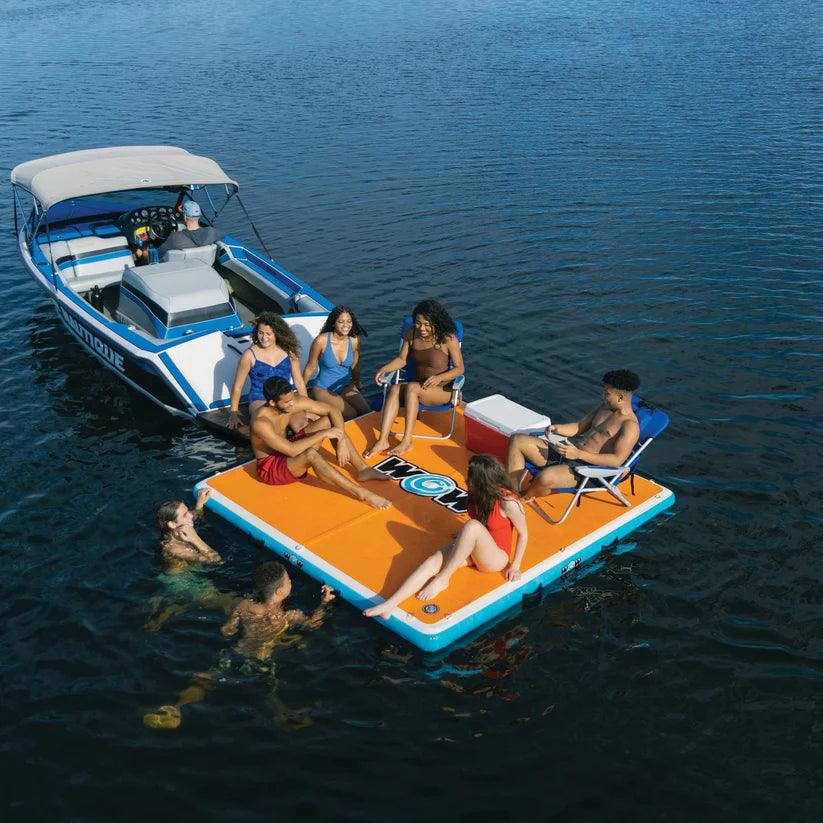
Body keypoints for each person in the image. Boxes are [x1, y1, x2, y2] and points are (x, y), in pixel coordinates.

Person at [143, 562, 334, 730]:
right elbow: (312, 624)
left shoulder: (244, 606)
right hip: (258, 659)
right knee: (269, 692)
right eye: (289, 581)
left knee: (206, 677)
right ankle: (284, 717)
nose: (291, 583)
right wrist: (324, 603)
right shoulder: (287, 615)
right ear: (279, 591)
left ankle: (177, 707)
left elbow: (226, 630)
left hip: (233, 652)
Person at [364, 455, 527, 619]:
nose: (466, 475)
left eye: (470, 473)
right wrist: (466, 537)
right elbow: (481, 522)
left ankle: (443, 579)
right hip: (476, 546)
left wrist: (515, 566)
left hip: (496, 557)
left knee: (471, 526)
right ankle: (389, 605)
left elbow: (523, 534)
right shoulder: (477, 493)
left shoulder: (508, 501)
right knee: (431, 562)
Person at [252, 376, 391, 509]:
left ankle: (363, 469)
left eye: (292, 398)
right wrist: (323, 434)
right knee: (311, 454)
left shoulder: (291, 403)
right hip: (271, 467)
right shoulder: (261, 422)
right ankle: (363, 494)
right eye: (287, 402)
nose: (292, 403)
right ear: (272, 403)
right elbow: (291, 450)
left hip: (288, 448)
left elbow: (332, 410)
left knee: (328, 421)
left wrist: (341, 441)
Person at [506, 369, 642, 500]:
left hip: (587, 468)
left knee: (544, 478)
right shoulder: (604, 407)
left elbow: (617, 460)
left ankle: (524, 498)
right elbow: (579, 426)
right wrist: (557, 428)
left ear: (620, 398)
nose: (603, 397)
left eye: (607, 394)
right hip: (568, 451)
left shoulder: (630, 426)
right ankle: (512, 494)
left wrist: (578, 454)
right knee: (517, 440)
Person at [364, 299, 464, 458]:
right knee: (395, 389)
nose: (422, 328)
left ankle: (406, 441)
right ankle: (383, 440)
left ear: (436, 321)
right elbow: (402, 359)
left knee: (411, 388)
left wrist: (439, 378)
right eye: (418, 323)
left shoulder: (448, 338)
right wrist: (384, 369)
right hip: (419, 387)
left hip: (443, 391)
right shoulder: (411, 333)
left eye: (427, 324)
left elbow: (459, 368)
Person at [145, 489, 236, 632]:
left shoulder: (177, 529)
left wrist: (199, 504)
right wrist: (195, 539)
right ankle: (165, 612)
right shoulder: (174, 549)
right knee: (228, 602)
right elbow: (216, 560)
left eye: (188, 511)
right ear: (172, 524)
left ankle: (169, 605)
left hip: (181, 574)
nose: (190, 516)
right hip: (183, 581)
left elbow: (195, 514)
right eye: (185, 514)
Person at [227, 312, 307, 431]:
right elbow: (238, 386)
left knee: (300, 425)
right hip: (259, 399)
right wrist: (233, 413)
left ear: (277, 333)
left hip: (286, 397)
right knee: (270, 424)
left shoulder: (289, 352)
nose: (264, 338)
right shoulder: (249, 355)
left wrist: (305, 406)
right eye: (260, 333)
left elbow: (299, 382)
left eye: (268, 334)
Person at [301, 306, 370, 420]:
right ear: (334, 323)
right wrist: (302, 394)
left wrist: (357, 385)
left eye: (349, 321)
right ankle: (315, 398)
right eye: (341, 322)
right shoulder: (321, 341)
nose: (346, 325)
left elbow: (355, 367)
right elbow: (310, 368)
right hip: (323, 388)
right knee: (351, 414)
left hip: (345, 385)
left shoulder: (354, 340)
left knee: (366, 411)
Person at [156, 199, 222, 258]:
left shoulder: (175, 237)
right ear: (199, 216)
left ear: (185, 217)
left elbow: (158, 254)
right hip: (204, 266)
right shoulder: (211, 232)